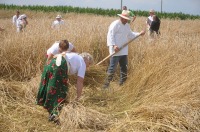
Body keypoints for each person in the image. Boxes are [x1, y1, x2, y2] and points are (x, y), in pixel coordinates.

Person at [36, 45, 93, 124]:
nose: (88, 66)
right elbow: (80, 81)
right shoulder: (82, 62)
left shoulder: (74, 56)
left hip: (53, 62)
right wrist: (78, 98)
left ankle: (51, 113)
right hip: (60, 66)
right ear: (86, 59)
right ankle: (54, 115)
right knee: (61, 91)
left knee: (52, 88)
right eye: (89, 64)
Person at [102, 10, 145, 88]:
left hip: (124, 51)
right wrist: (114, 45)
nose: (126, 20)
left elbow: (131, 35)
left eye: (127, 19)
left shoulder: (127, 26)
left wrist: (139, 34)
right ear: (121, 17)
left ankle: (122, 85)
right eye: (125, 18)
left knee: (124, 68)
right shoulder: (115, 24)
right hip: (115, 51)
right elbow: (110, 35)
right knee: (112, 69)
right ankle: (105, 86)